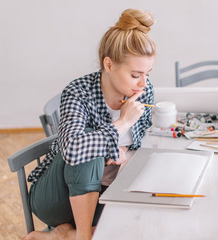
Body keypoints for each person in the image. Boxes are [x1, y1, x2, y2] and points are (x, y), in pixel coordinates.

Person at [22, 8, 156, 240]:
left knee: (139, 223)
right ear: (109, 64)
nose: (144, 83)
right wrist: (122, 123)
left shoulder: (144, 91)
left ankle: (63, 236)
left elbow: (141, 138)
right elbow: (73, 150)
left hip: (102, 194)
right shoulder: (79, 92)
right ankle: (82, 236)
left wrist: (123, 151)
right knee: (90, 142)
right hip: (57, 197)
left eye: (148, 73)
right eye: (136, 75)